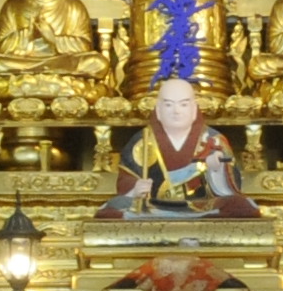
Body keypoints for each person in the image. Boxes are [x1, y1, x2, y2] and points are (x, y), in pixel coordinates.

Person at [102, 74, 260, 218]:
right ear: (158, 110)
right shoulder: (142, 141)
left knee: (240, 205)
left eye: (183, 105)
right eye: (169, 105)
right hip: (153, 207)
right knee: (114, 207)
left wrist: (216, 170)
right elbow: (125, 180)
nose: (176, 111)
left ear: (194, 110)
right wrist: (135, 189)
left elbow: (231, 186)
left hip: (202, 207)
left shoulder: (213, 141)